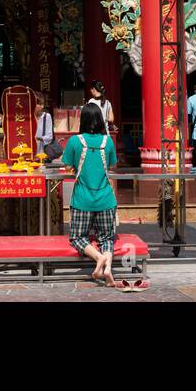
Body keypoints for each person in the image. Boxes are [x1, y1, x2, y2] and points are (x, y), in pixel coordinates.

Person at [62, 102, 119, 287]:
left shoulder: (74, 141)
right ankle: (108, 268)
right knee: (107, 238)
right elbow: (110, 165)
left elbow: (68, 166)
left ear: (83, 120)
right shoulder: (107, 141)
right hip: (105, 199)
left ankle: (99, 258)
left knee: (77, 238)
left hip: (82, 200)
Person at [34, 93, 55, 157]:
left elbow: (49, 136)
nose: (42, 107)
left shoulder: (46, 116)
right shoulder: (27, 117)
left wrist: (37, 138)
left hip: (42, 153)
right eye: (39, 104)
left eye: (42, 104)